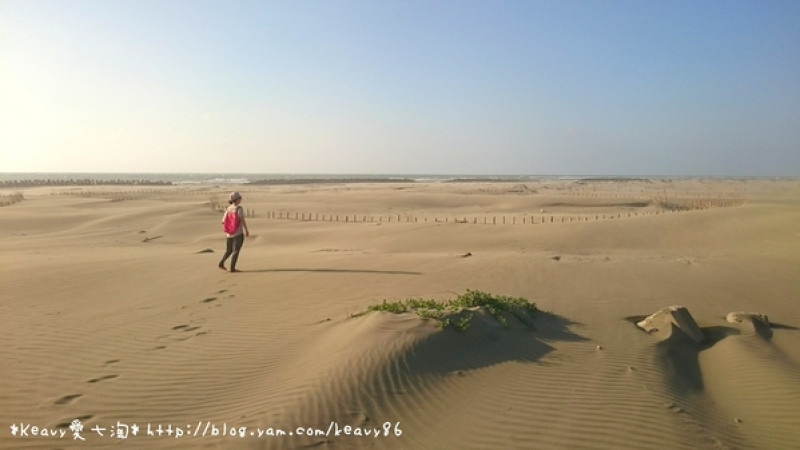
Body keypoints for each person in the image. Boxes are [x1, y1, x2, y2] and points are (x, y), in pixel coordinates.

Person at [218, 191, 250, 272]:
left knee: (229, 250)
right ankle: (232, 268)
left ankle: (221, 263)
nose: (241, 199)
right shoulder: (239, 208)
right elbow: (242, 220)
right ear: (237, 199)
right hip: (237, 233)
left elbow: (223, 221)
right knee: (236, 251)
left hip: (229, 234)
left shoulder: (228, 209)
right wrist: (246, 230)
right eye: (240, 198)